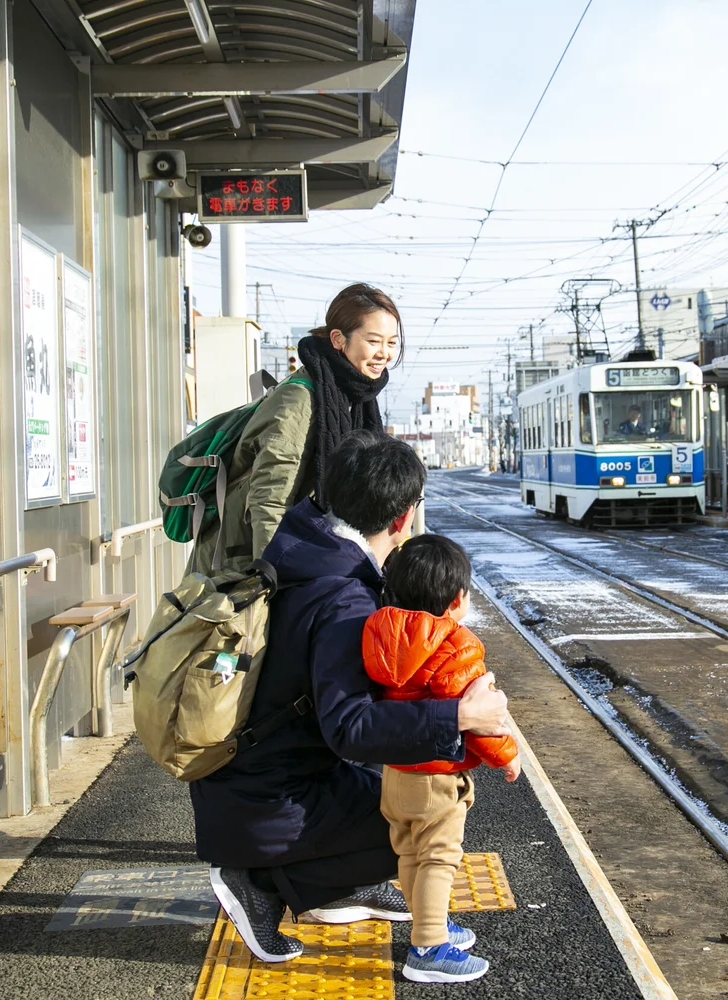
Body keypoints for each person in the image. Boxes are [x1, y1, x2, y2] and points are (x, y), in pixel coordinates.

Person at [192, 432, 511, 964]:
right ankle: (261, 880)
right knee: (427, 810)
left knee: (394, 793)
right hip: (266, 801)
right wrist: (459, 713)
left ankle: (333, 885)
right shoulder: (343, 598)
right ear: (403, 519)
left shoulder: (306, 550)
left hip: (248, 778)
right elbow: (351, 728)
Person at [363, 535, 520, 983]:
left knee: (410, 853)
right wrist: (507, 757)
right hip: (435, 775)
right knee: (439, 858)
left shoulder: (379, 633)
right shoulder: (456, 645)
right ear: (457, 600)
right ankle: (428, 947)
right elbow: (478, 719)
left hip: (395, 771)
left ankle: (429, 925)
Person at [187, 283, 401, 573]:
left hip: (302, 551)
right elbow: (270, 500)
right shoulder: (300, 400)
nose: (384, 354)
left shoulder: (353, 397)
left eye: (391, 343)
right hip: (245, 567)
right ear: (338, 339)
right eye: (374, 341)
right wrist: (276, 585)